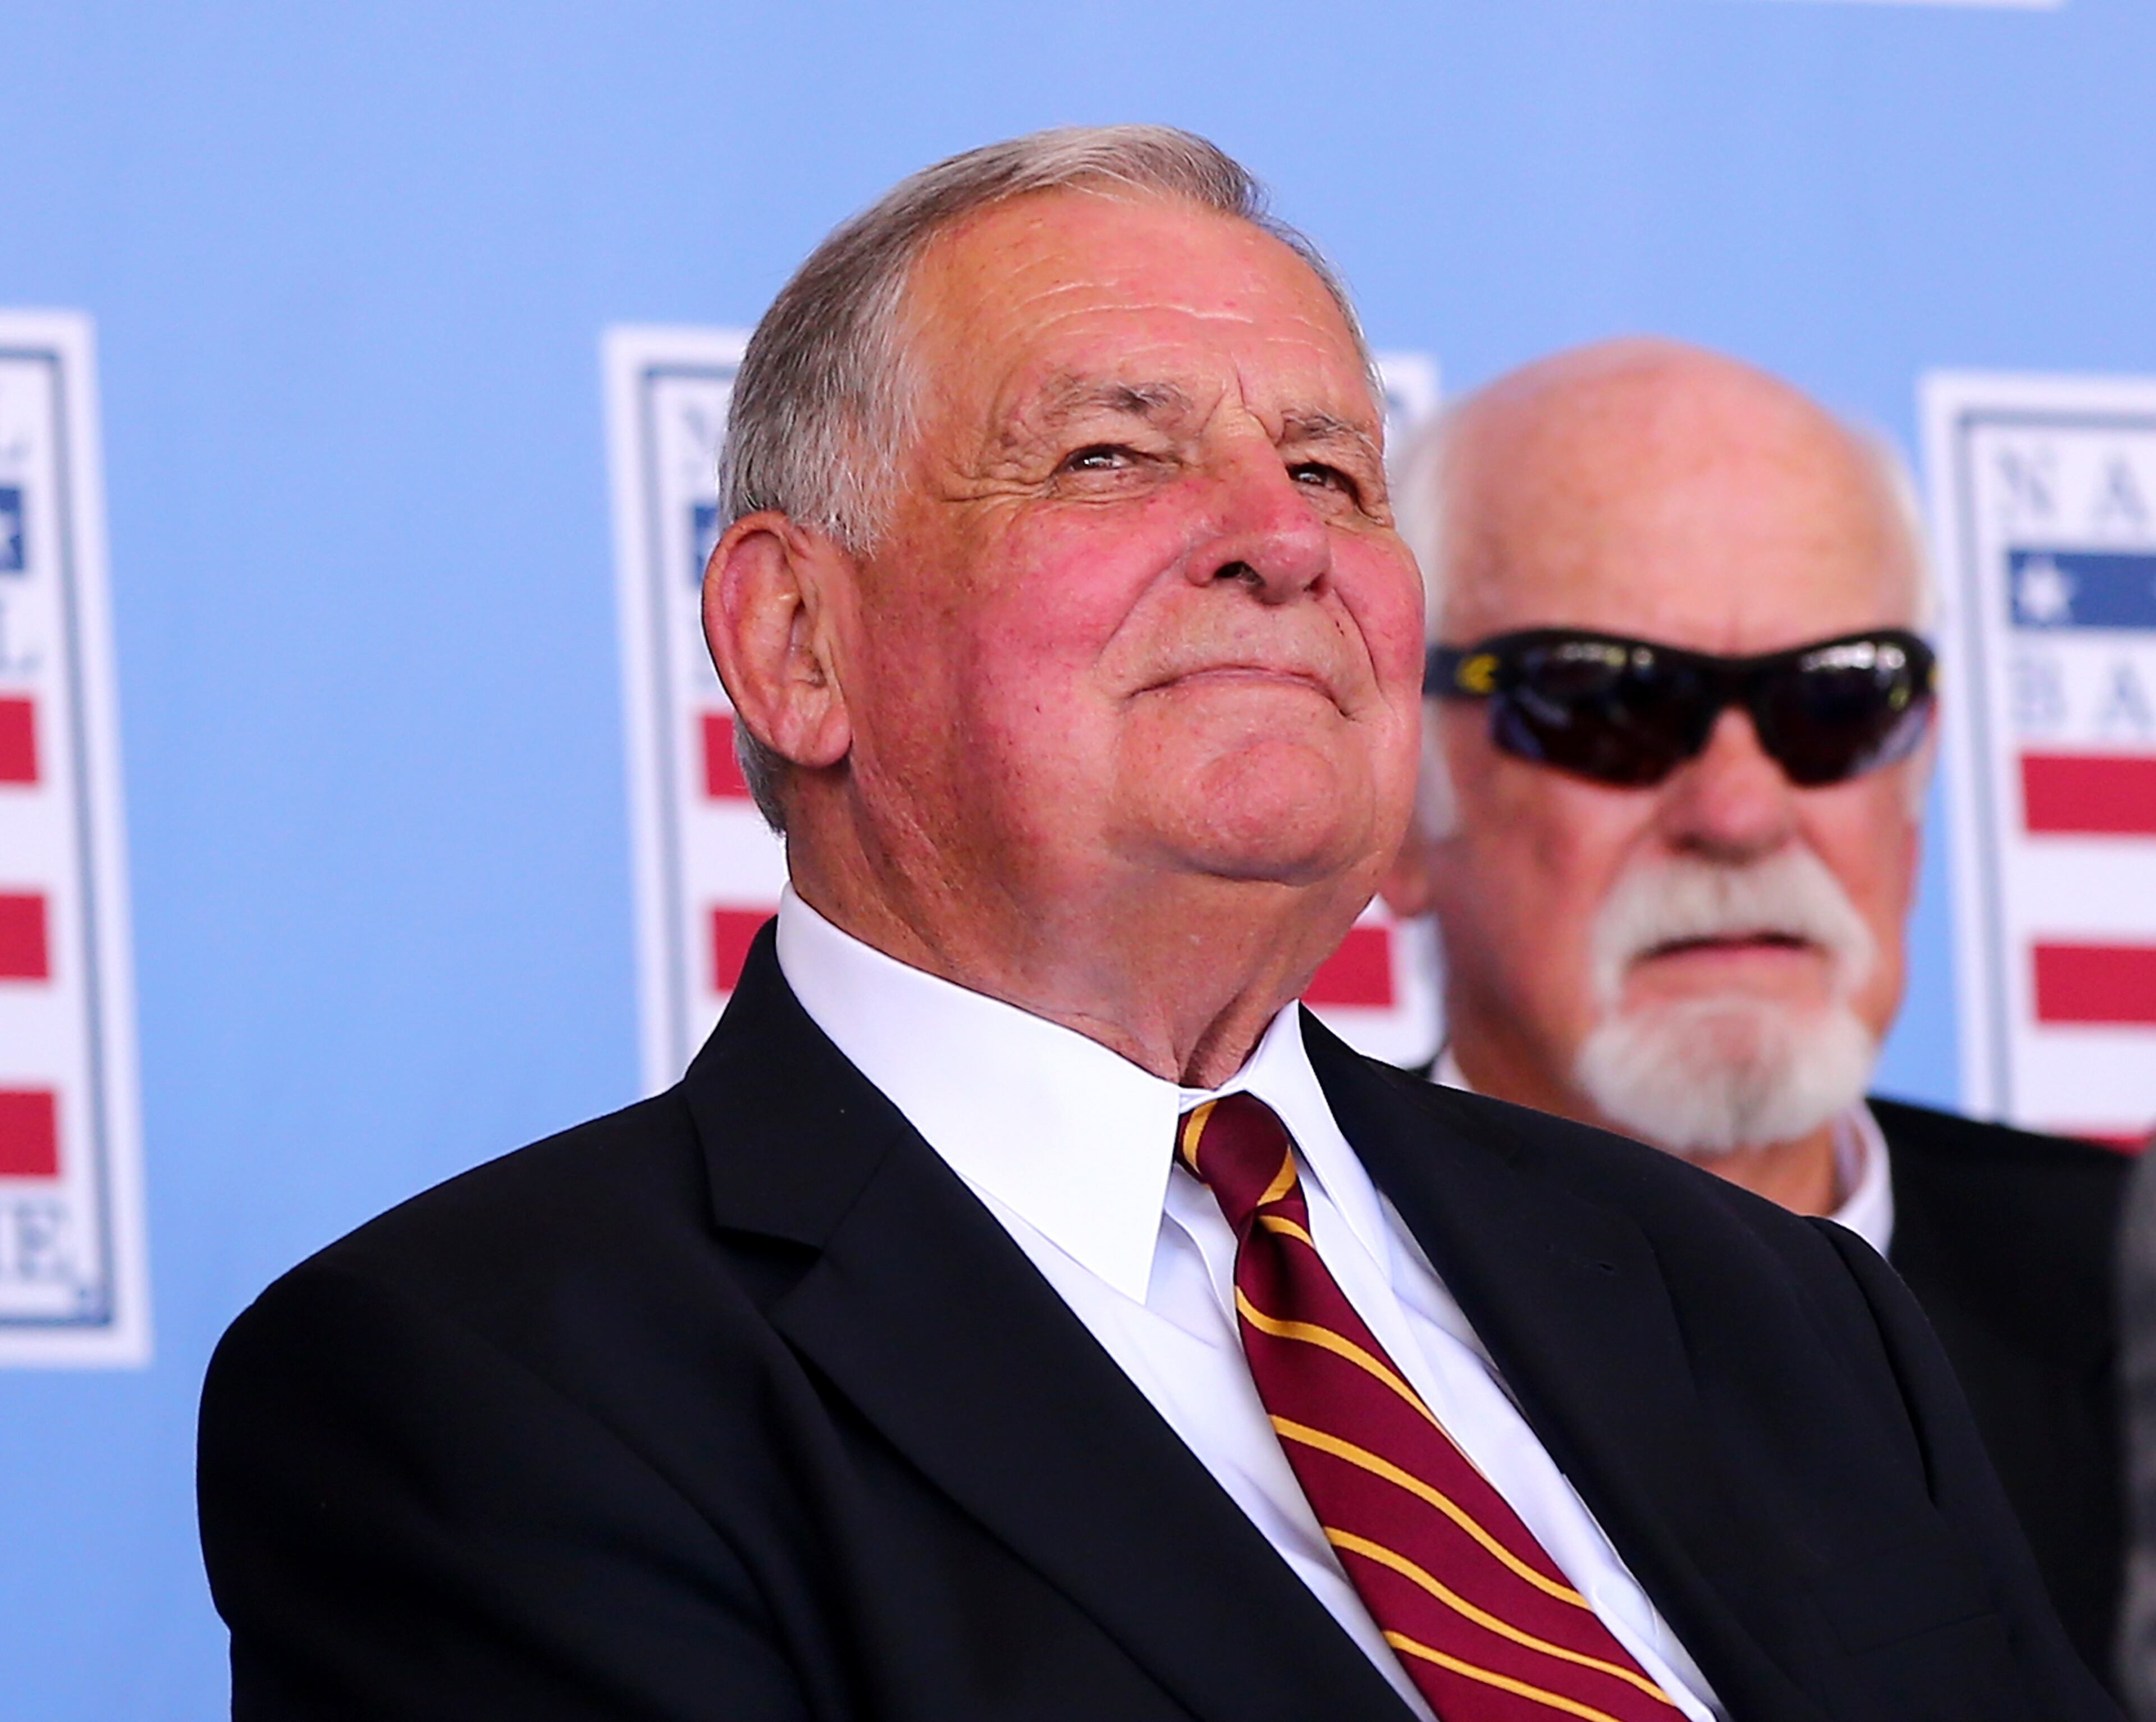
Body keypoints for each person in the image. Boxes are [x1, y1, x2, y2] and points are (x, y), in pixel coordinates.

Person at [198, 131, 2112, 1721]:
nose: (1277, 535)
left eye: (1333, 469)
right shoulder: (484, 1390)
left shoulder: (1776, 1306)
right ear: (794, 643)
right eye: (1112, 453)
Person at [1381, 337, 2131, 1683]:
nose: (1738, 812)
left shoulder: (2130, 1300)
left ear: (1917, 772)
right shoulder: (1246, 1327)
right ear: (1394, 797)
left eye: (1837, 698)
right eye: (1608, 699)